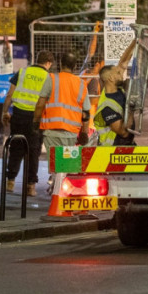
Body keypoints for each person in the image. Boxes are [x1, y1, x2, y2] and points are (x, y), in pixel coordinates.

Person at [34, 52, 91, 193]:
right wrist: (84, 132)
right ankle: (65, 192)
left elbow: (40, 103)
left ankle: (57, 192)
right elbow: (86, 113)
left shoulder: (51, 79)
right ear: (75, 66)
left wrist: (35, 121)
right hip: (71, 133)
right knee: (67, 164)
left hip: (51, 131)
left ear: (60, 64)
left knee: (56, 165)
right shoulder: (81, 84)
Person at [1, 50, 54, 196]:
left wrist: (5, 112)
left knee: (16, 148)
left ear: (37, 60)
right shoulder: (49, 77)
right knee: (33, 152)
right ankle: (31, 186)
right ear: (48, 63)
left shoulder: (22, 72)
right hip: (37, 118)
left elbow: (10, 94)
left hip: (18, 115)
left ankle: (10, 181)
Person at [95, 40, 138, 146]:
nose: (122, 73)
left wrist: (136, 40)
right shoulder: (107, 107)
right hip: (112, 151)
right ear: (110, 78)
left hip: (123, 145)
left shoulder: (116, 90)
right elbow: (123, 132)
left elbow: (123, 62)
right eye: (118, 73)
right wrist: (131, 110)